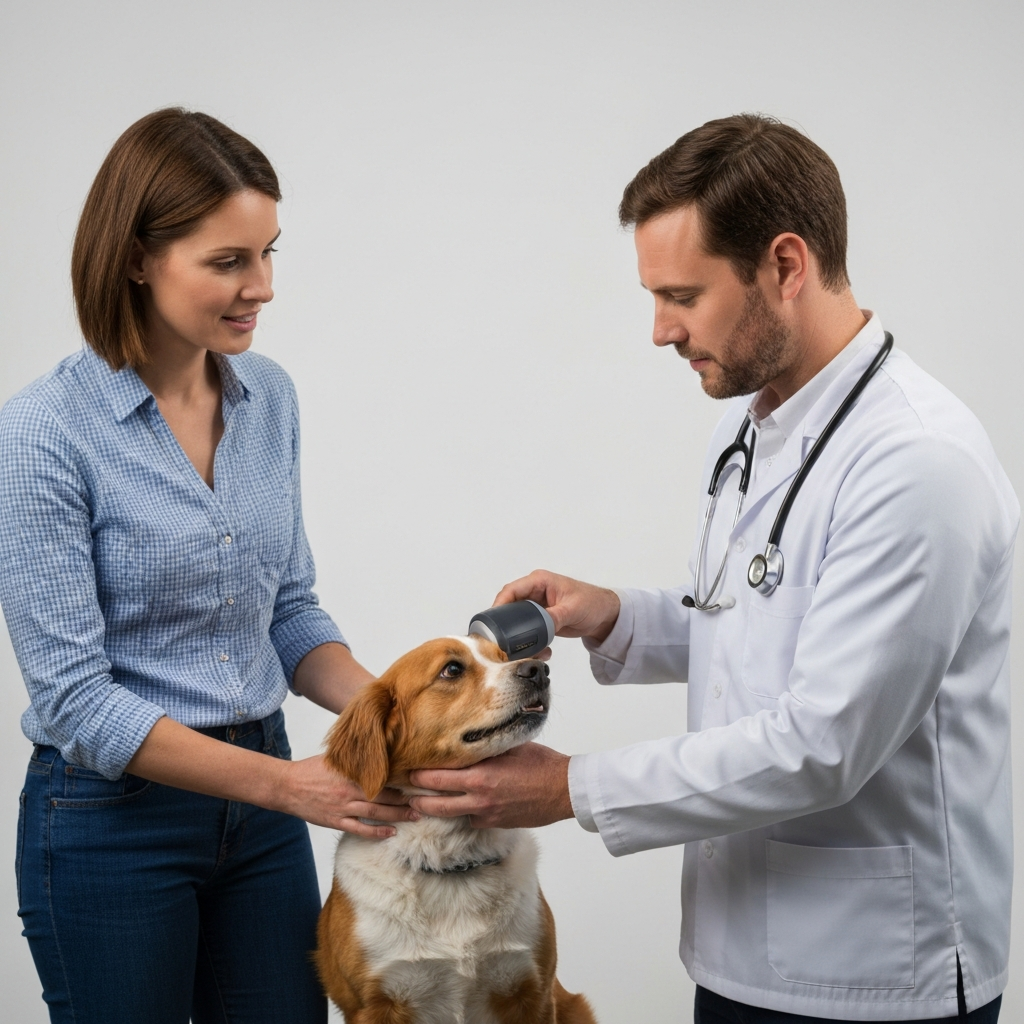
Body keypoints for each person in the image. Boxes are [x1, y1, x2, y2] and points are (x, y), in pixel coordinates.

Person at [407, 115, 1018, 1023]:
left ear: (784, 265)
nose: (660, 330)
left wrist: (569, 787)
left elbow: (824, 742)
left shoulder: (916, 465)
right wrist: (613, 615)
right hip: (736, 951)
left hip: (875, 969)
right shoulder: (757, 429)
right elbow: (760, 620)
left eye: (682, 294)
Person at [0, 108, 417, 1024]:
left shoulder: (268, 398)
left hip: (262, 821)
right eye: (228, 262)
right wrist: (289, 786)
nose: (260, 286)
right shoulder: (41, 437)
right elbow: (75, 699)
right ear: (138, 257)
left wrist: (401, 715)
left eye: (268, 253)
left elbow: (289, 611)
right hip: (113, 825)